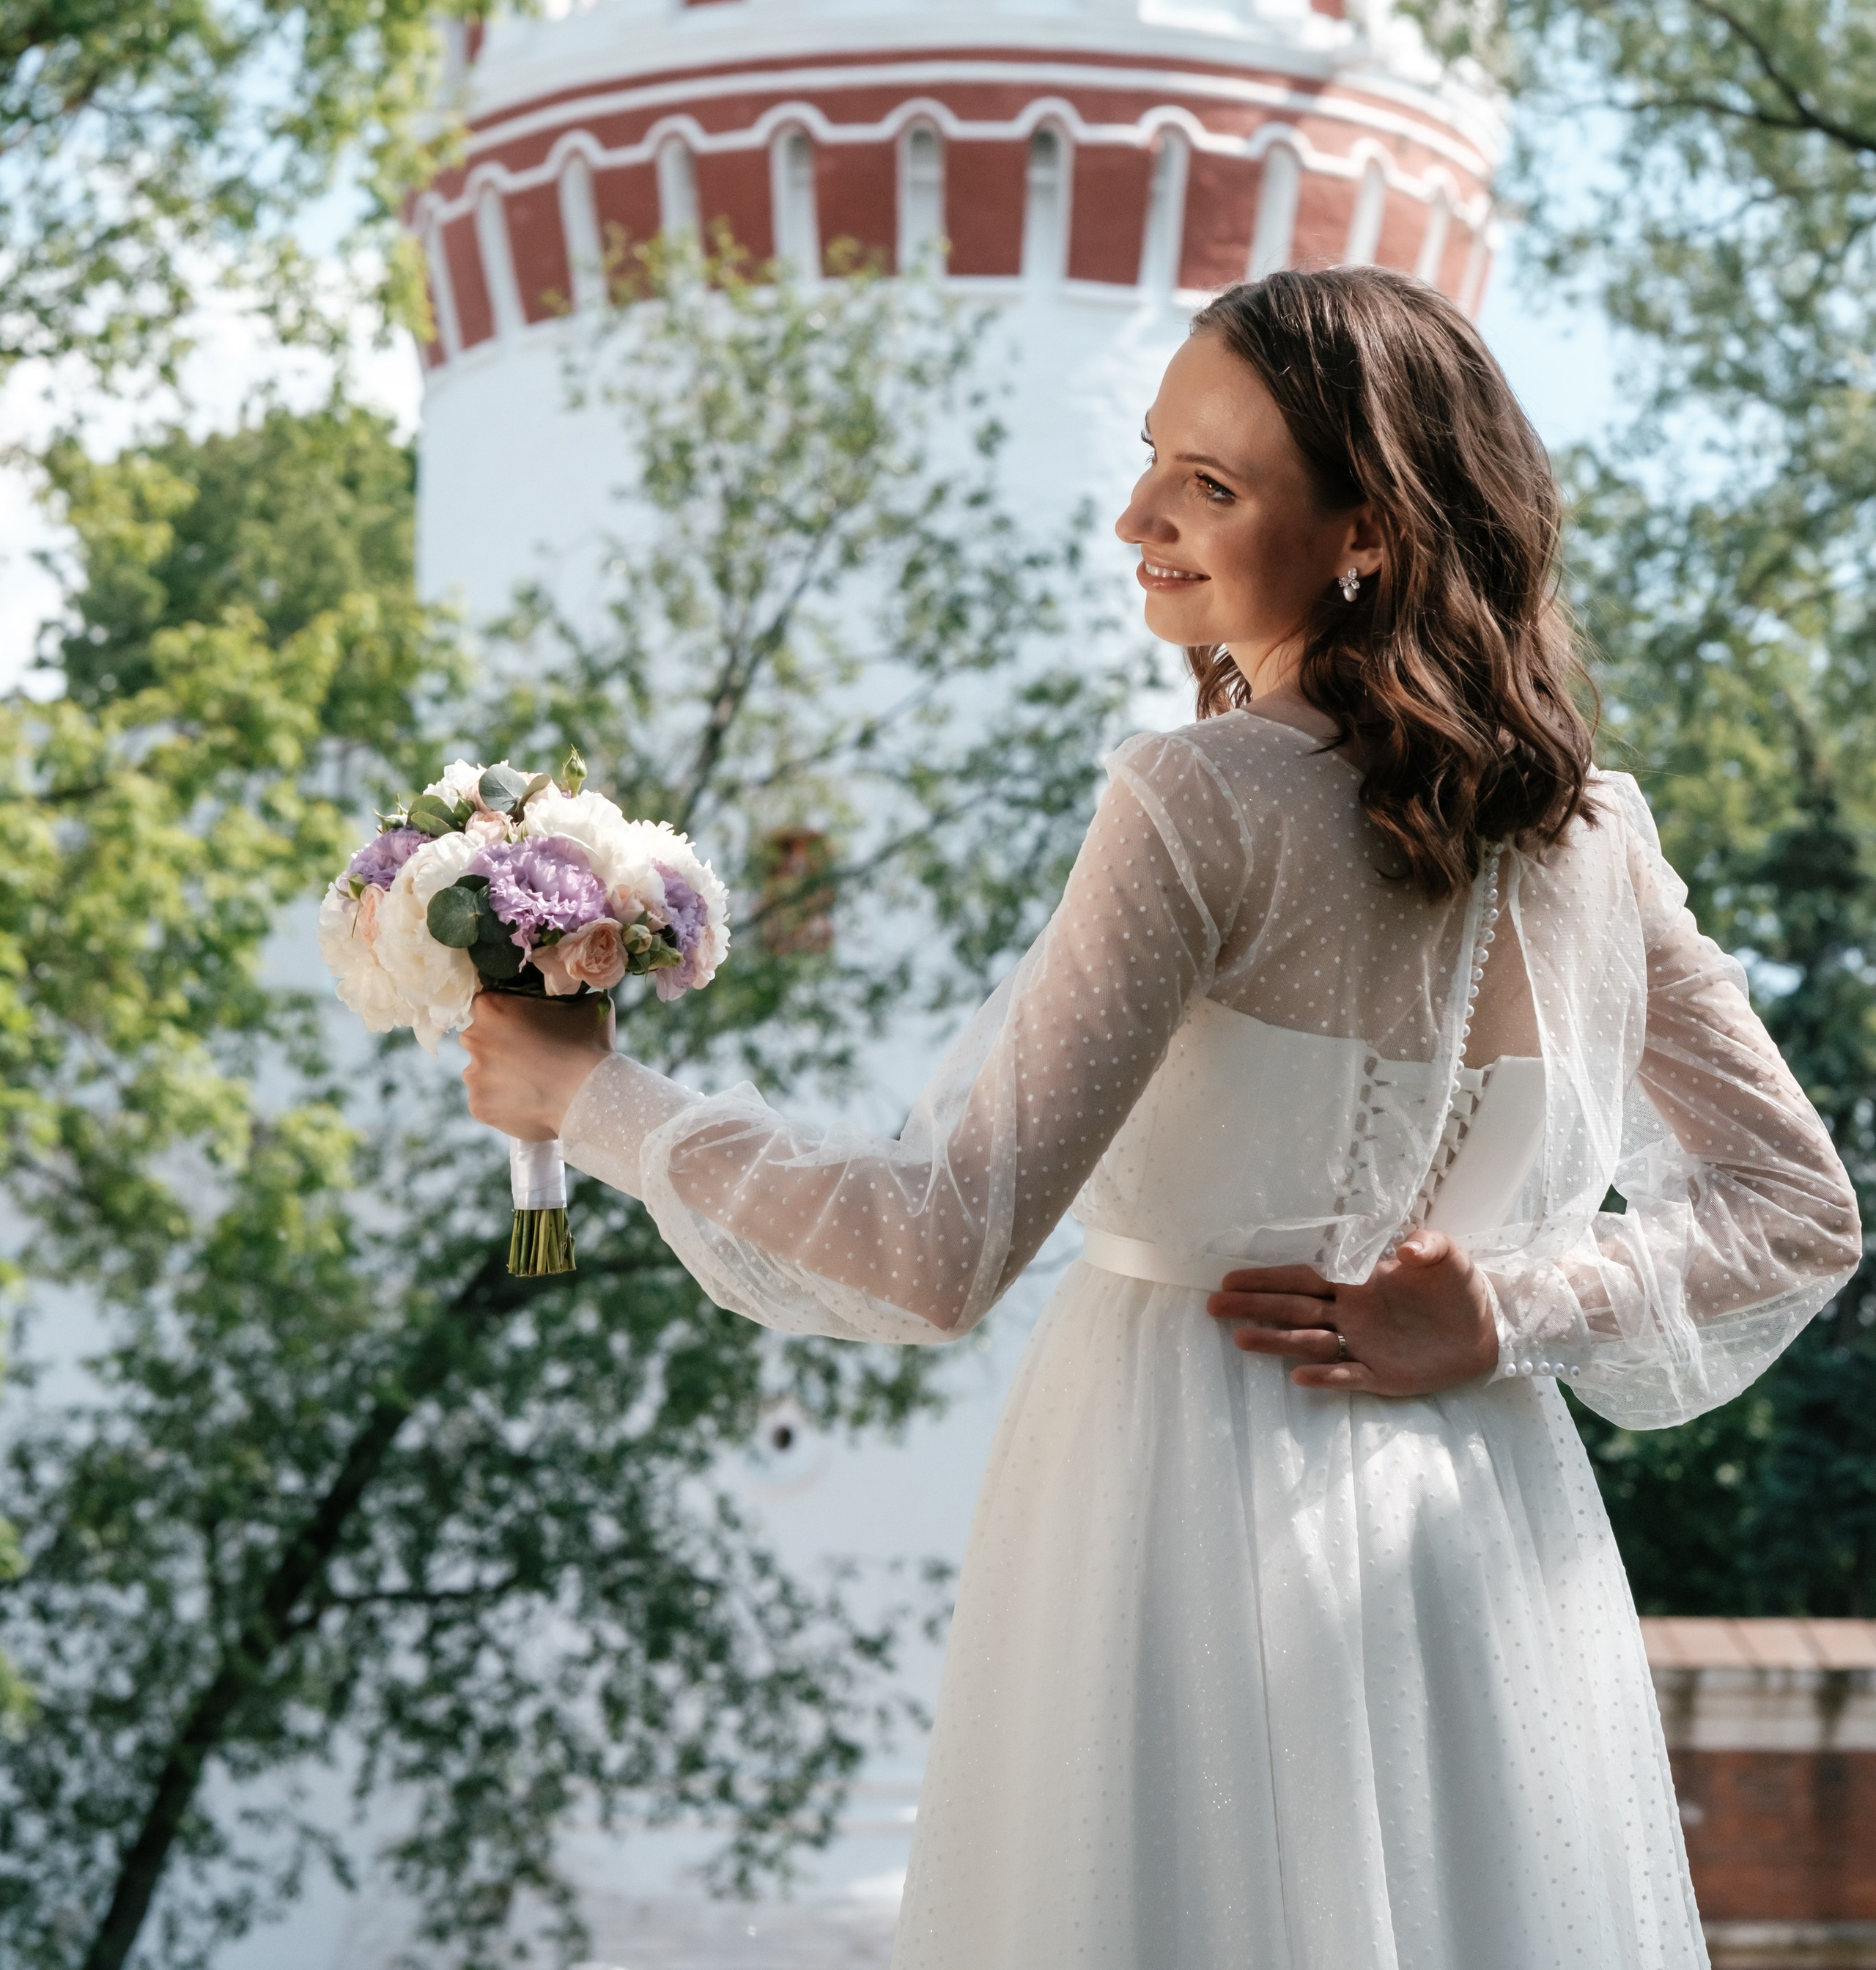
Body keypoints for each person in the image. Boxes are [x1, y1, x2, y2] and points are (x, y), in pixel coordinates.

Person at [462, 267, 1860, 1970]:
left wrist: (586, 1099)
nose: (1138, 515)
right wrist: (1497, 1314)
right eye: (1148, 460)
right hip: (1479, 1535)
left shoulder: (1194, 800)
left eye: (1208, 485)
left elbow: (934, 1251)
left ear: (1368, 530)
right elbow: (1799, 1210)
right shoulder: (1593, 837)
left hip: (1182, 1512)